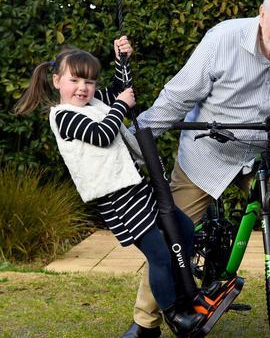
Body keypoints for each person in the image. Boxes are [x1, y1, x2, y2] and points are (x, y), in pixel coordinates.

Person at [121, 0, 270, 337]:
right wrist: (135, 142)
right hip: (210, 151)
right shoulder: (222, 40)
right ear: (261, 15)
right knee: (172, 233)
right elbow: (177, 98)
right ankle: (145, 323)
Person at [14, 38, 204, 337]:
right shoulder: (63, 116)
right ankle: (173, 316)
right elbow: (102, 134)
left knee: (184, 229)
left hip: (138, 188)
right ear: (56, 81)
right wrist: (120, 105)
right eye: (74, 80)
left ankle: (185, 296)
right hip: (117, 199)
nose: (83, 88)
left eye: (89, 81)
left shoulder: (94, 102)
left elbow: (117, 90)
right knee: (159, 254)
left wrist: (121, 60)